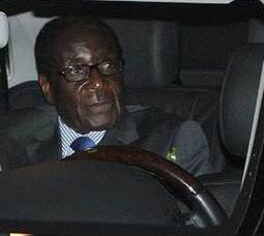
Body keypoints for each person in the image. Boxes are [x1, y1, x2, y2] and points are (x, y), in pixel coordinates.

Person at [0, 15, 210, 176]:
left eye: (108, 65)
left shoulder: (172, 139)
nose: (98, 82)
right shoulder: (10, 135)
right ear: (47, 88)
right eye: (76, 71)